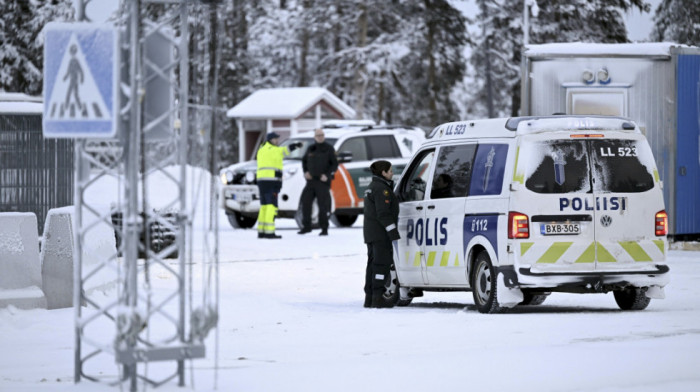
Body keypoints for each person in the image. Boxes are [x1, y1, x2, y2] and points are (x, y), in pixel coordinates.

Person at [363, 160, 400, 308]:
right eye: (390, 171)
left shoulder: (372, 187)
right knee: (381, 265)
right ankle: (378, 298)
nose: (392, 173)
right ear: (383, 173)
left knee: (372, 265)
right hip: (380, 234)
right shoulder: (381, 189)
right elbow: (383, 213)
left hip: (371, 234)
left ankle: (370, 298)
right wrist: (393, 232)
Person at [256, 132, 301, 239]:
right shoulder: (274, 150)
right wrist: (295, 145)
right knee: (272, 207)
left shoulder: (261, 150)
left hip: (262, 182)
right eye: (275, 139)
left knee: (264, 206)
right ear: (270, 140)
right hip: (271, 181)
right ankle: (269, 232)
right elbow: (284, 151)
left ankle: (261, 231)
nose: (277, 141)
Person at [298, 128, 338, 236]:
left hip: (322, 181)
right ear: (314, 137)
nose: (320, 137)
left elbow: (334, 164)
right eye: (318, 135)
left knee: (323, 206)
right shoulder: (311, 148)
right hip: (311, 181)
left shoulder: (329, 148)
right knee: (305, 203)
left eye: (322, 135)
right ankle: (306, 227)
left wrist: (327, 175)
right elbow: (304, 161)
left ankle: (324, 229)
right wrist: (306, 172)